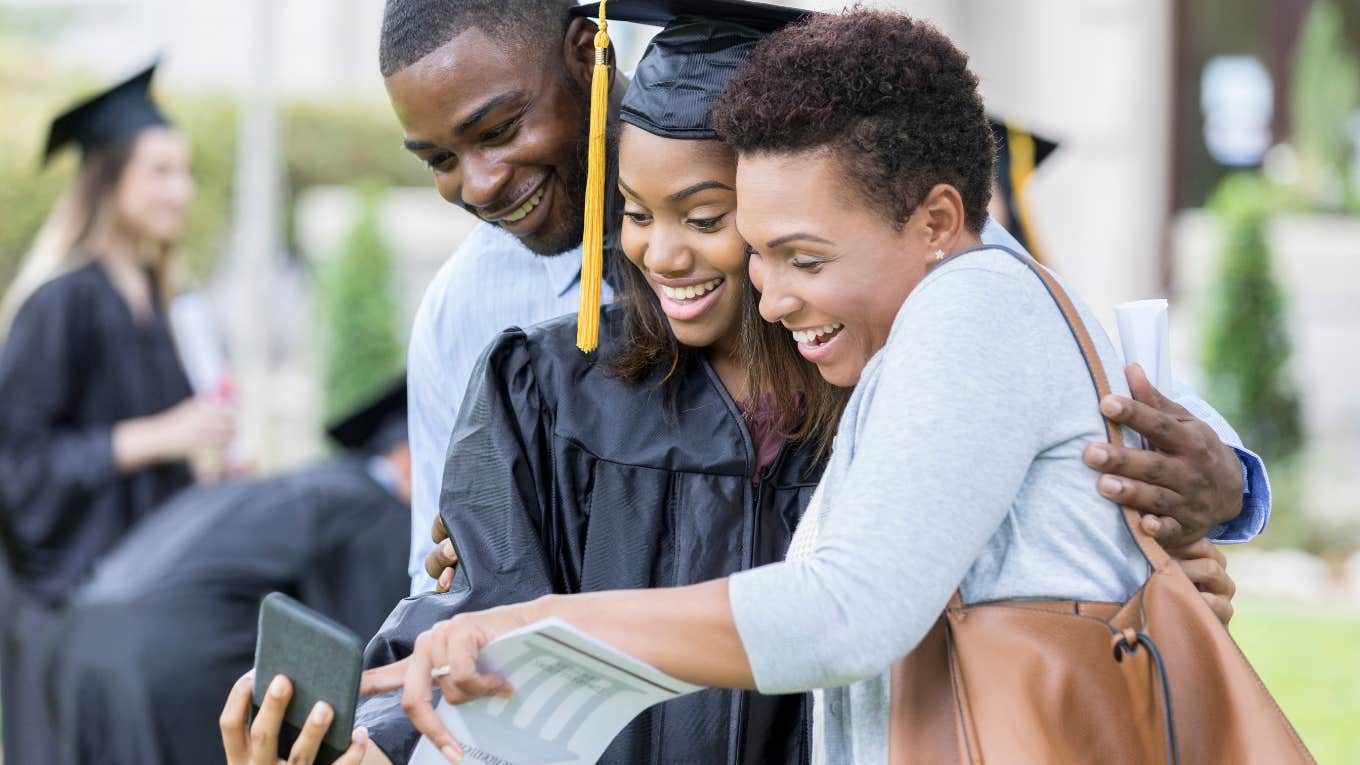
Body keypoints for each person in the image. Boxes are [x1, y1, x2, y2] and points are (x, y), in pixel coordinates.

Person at [220, 4, 1248, 765]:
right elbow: (456, 611)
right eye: (633, 210)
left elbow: (1062, 372)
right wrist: (371, 730)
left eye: (716, 221)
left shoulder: (890, 340)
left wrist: (1216, 499)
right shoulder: (527, 363)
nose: (666, 252)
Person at [0, 62, 236, 765]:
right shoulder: (60, 302)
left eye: (185, 171)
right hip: (65, 611)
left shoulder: (163, 302)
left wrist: (206, 472)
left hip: (138, 600)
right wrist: (161, 435)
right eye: (160, 171)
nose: (181, 191)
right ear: (109, 179)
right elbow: (18, 467)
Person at [51, 379, 412, 765]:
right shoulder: (376, 509)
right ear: (409, 456)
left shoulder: (301, 484)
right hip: (173, 655)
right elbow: (376, 659)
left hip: (81, 631)